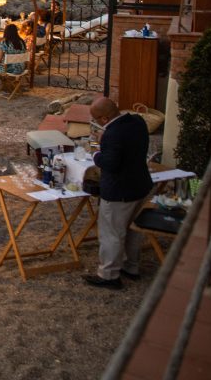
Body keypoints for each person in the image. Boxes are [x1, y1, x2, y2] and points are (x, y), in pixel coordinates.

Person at [84, 96, 153, 289]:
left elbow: (110, 164)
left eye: (96, 119)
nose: (96, 123)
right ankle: (131, 267)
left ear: (104, 119)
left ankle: (109, 275)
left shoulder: (113, 133)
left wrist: (97, 152)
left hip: (119, 190)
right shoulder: (137, 121)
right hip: (141, 185)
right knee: (133, 230)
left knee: (111, 233)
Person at [0, 22, 28, 94]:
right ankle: (3, 85)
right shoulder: (22, 42)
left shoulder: (4, 43)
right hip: (21, 68)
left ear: (6, 33)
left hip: (9, 69)